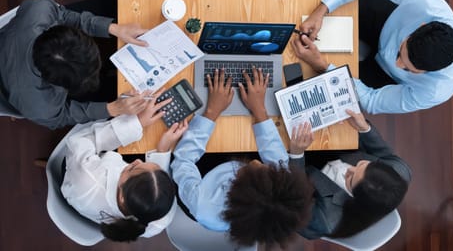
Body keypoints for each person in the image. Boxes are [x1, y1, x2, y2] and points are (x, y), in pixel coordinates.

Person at [170, 67, 313, 248]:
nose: (258, 162)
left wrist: (212, 111)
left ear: (237, 184)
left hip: (202, 173)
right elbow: (275, 156)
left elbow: (183, 160)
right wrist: (259, 109)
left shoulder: (202, 204)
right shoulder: (281, 188)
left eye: (256, 168)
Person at [299, 0, 453, 114]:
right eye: (400, 53)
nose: (397, 64)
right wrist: (322, 10)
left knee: (317, 87)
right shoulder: (426, 3)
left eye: (408, 69)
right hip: (385, 22)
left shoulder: (435, 91)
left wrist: (324, 67)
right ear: (419, 27)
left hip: (384, 75)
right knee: (307, 4)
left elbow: (371, 101)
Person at [0, 0, 152, 129]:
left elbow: (63, 15)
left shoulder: (40, 10)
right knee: (107, 93)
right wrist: (113, 109)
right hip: (10, 92)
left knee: (111, 6)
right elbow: (63, 116)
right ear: (58, 85)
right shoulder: (41, 106)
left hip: (13, 41)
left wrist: (112, 28)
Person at [61, 88, 188, 242]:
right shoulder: (159, 220)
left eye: (133, 168)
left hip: (75, 172)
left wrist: (137, 123)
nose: (137, 161)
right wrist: (162, 152)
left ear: (121, 196)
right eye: (159, 170)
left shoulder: (87, 175)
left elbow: (80, 141)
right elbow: (157, 192)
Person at [288, 110, 411, 239]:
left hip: (296, 182)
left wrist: (296, 155)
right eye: (362, 165)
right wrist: (364, 128)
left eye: (351, 179)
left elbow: (293, 202)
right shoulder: (399, 171)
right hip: (330, 151)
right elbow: (386, 155)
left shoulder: (327, 220)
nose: (349, 170)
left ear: (354, 198)